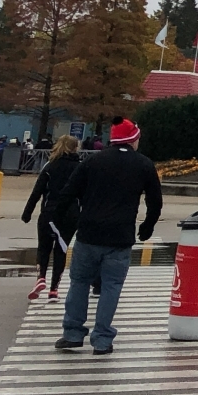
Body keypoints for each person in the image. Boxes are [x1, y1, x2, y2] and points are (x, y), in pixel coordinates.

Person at [52, 117, 162, 355]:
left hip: (88, 233)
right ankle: (102, 339)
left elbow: (68, 193)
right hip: (120, 236)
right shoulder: (143, 164)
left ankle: (72, 333)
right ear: (132, 139)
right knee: (111, 286)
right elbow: (155, 201)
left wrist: (61, 221)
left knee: (79, 283)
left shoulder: (92, 162)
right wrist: (147, 226)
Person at [22, 135, 80, 301]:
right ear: (75, 148)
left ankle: (41, 277)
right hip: (70, 214)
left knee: (44, 247)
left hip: (49, 211)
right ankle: (54, 289)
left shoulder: (49, 166)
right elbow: (84, 193)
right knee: (61, 250)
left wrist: (27, 212)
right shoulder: (79, 168)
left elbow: (37, 191)